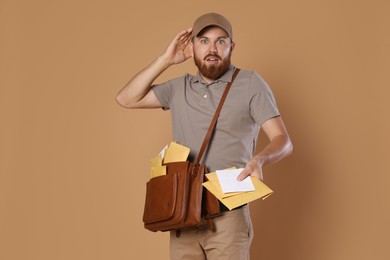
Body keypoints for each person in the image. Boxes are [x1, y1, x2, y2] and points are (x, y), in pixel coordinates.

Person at [116, 12, 293, 260]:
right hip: (182, 212)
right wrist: (166, 59)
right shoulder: (179, 88)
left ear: (231, 46)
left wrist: (259, 160)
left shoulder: (251, 83)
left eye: (221, 41)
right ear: (192, 46)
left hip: (228, 211)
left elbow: (283, 140)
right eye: (204, 41)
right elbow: (126, 98)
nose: (213, 48)